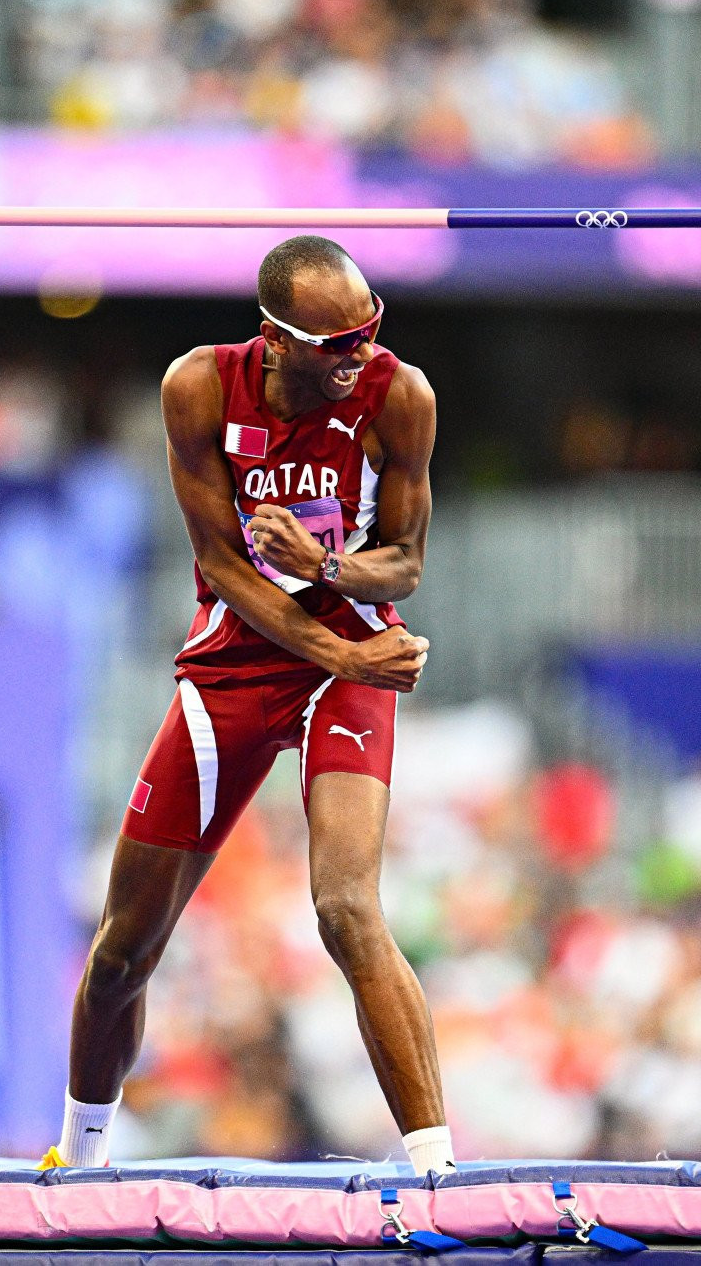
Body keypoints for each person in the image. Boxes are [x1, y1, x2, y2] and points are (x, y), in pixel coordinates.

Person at [44, 236, 451, 1175]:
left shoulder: (400, 394)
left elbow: (405, 563)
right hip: (243, 661)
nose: (360, 352)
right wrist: (339, 646)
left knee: (345, 908)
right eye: (338, 342)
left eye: (370, 329)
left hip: (351, 661)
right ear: (275, 338)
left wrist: (330, 568)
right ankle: (79, 1161)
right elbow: (222, 566)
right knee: (121, 951)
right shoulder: (197, 387)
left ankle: (437, 1171)